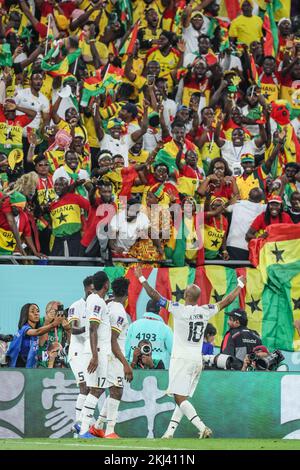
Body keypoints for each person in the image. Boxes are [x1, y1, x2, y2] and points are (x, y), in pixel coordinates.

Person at [134, 265, 246, 439]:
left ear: (186, 296)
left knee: (179, 397)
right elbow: (226, 301)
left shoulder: (178, 309)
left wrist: (141, 279)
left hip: (182, 358)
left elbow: (155, 296)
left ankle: (202, 427)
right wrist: (239, 285)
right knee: (182, 397)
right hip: (196, 358)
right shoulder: (205, 310)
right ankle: (169, 433)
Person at [90, 277, 133, 439]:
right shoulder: (119, 311)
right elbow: (113, 340)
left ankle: (97, 426)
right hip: (114, 357)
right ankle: (109, 431)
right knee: (116, 391)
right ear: (127, 293)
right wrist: (125, 364)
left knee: (113, 389)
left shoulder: (109, 305)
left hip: (109, 355)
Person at [79, 271, 110, 438]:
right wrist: (95, 355)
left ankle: (81, 424)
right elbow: (93, 328)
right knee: (97, 389)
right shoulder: (97, 301)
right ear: (106, 284)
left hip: (94, 349)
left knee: (95, 389)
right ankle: (84, 429)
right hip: (97, 350)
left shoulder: (93, 300)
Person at [68, 276, 94, 432]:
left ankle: (82, 423)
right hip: (77, 351)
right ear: (85, 288)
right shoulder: (76, 306)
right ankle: (79, 422)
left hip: (89, 352)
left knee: (91, 388)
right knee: (84, 385)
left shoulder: (97, 305)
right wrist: (90, 327)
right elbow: (74, 329)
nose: (92, 292)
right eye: (90, 289)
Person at [6, 303, 62, 368]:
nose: (36, 313)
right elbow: (37, 332)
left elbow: (41, 343)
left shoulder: (37, 330)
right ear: (26, 314)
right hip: (17, 365)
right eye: (32, 311)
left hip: (29, 365)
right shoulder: (24, 328)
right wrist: (54, 324)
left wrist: (48, 322)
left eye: (38, 311)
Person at [125, 299, 173, 370]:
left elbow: (126, 351)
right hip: (158, 370)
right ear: (159, 311)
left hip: (135, 368)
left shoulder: (133, 326)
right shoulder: (165, 329)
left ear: (146, 309)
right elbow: (173, 351)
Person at [226, 188, 266, 260]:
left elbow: (224, 208)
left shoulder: (237, 203)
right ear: (261, 199)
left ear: (248, 195)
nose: (256, 189)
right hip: (239, 245)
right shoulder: (237, 203)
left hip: (241, 245)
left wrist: (229, 202)